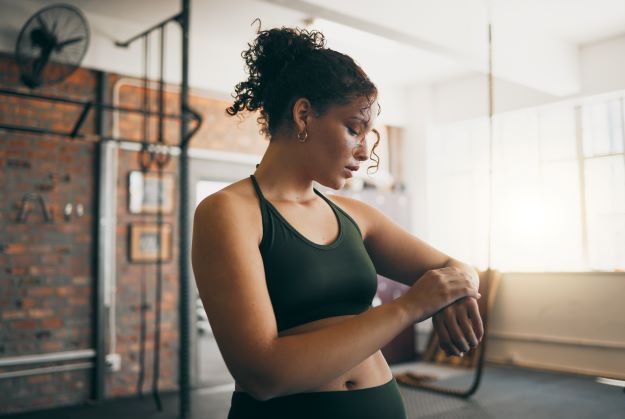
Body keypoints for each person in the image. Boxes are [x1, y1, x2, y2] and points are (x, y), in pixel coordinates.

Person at [191, 22, 484, 419]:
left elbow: (457, 268)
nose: (365, 152)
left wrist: (459, 290)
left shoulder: (355, 215)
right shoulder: (228, 212)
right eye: (354, 129)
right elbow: (264, 375)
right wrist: (409, 307)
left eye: (369, 135)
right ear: (304, 115)